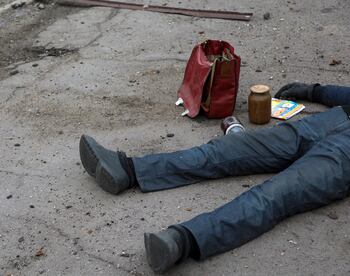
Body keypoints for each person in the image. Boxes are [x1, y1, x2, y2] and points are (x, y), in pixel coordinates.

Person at [79, 83, 350, 273]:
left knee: (278, 193)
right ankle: (128, 170)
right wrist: (314, 91)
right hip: (332, 121)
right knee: (228, 150)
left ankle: (182, 241)